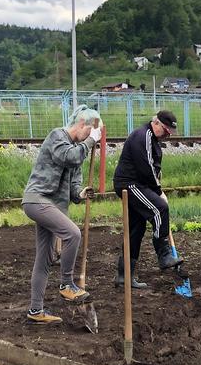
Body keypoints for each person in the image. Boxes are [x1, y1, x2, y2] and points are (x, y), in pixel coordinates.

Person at [22, 105, 102, 324]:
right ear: (82, 125)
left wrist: (81, 193)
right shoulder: (58, 136)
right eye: (90, 132)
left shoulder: (78, 150)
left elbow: (74, 185)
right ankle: (67, 284)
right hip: (37, 200)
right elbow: (68, 156)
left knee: (44, 258)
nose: (90, 137)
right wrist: (90, 141)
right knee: (73, 234)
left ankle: (36, 310)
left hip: (53, 206)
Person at [112, 110, 187, 288]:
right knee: (160, 208)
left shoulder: (153, 139)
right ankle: (164, 254)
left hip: (139, 185)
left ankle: (124, 277)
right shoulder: (143, 136)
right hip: (129, 185)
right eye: (166, 131)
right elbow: (146, 168)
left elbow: (155, 169)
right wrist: (158, 192)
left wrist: (156, 188)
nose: (167, 136)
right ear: (157, 123)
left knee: (136, 230)